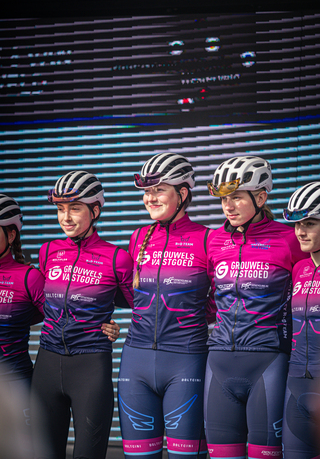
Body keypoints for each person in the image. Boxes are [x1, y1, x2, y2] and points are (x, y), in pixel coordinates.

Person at [107, 152, 216, 459]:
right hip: (135, 359)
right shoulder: (138, 237)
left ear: (182, 194)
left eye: (159, 190)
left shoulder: (207, 239)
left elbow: (224, 300)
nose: (150, 198)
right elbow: (132, 294)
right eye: (147, 191)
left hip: (186, 360)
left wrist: (191, 314)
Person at [204, 156, 307, 459]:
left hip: (269, 362)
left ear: (260, 197)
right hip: (219, 361)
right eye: (224, 198)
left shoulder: (290, 238)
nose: (228, 206)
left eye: (236, 197)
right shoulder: (214, 240)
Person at [30, 170, 134, 459]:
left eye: (75, 208)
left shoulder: (117, 258)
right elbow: (41, 304)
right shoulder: (48, 251)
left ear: (95, 210)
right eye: (61, 209)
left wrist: (112, 325)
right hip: (47, 363)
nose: (66, 217)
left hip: (90, 367)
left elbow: (134, 303)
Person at [0, 194, 45, 458]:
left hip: (16, 388)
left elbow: (57, 322)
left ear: (12, 234)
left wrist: (104, 327)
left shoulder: (29, 277)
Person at [282, 181, 320, 459]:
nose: (300, 232)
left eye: (309, 223)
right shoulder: (300, 268)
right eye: (297, 224)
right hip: (296, 383)